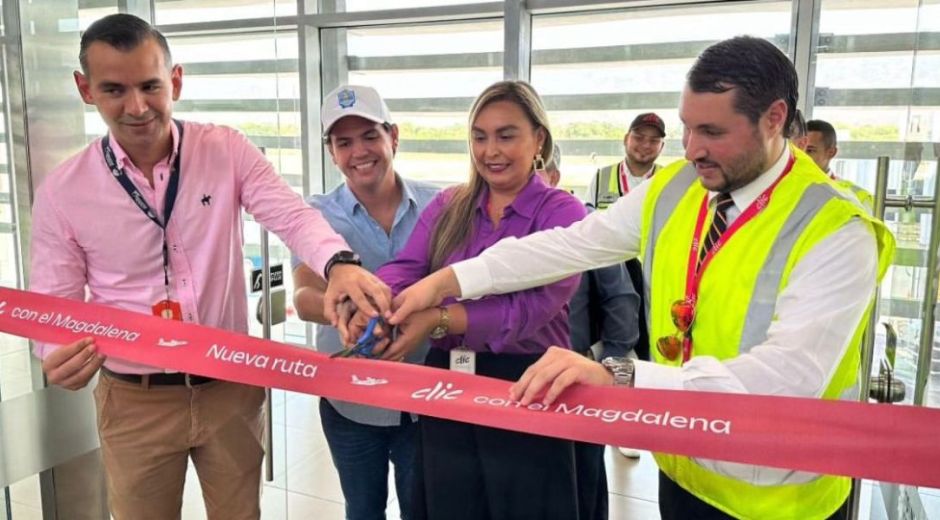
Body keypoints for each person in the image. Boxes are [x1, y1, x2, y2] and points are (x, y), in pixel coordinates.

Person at [381, 37, 895, 520]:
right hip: (685, 462)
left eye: (712, 132)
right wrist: (448, 279)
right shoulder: (677, 187)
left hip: (777, 495)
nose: (691, 149)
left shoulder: (836, 228)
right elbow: (571, 245)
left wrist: (621, 374)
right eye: (688, 128)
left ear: (774, 119)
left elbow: (787, 378)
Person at [29, 14, 390, 520]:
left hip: (230, 387)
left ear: (175, 80)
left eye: (151, 86)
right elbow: (55, 304)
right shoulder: (64, 192)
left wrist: (340, 264)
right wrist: (55, 353)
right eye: (114, 89)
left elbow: (290, 215)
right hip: (136, 399)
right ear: (85, 90)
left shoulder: (224, 149)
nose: (136, 107)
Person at [349, 80, 601, 519]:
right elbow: (408, 266)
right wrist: (375, 305)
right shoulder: (452, 203)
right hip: (449, 383)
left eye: (507, 135)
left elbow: (528, 311)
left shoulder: (562, 213)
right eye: (480, 137)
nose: (491, 151)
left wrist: (436, 319)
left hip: (528, 383)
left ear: (538, 138)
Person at [292, 84, 438, 520]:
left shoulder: (441, 205)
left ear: (394, 136)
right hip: (350, 402)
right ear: (331, 152)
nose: (359, 151)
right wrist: (345, 313)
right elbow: (302, 297)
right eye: (343, 142)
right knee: (363, 508)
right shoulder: (315, 215)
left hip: (426, 398)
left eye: (370, 136)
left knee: (423, 509)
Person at [543, 144, 646, 460]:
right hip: (522, 382)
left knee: (583, 479)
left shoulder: (586, 227)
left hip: (579, 379)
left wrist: (603, 367)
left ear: (554, 176)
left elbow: (622, 302)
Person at [587, 111, 666, 209]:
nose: (646, 145)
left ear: (661, 146)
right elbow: (589, 219)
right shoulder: (602, 177)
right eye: (639, 138)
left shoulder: (669, 179)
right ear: (626, 139)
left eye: (654, 141)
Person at [807, 119, 874, 212]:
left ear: (831, 152)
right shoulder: (785, 189)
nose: (801, 156)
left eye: (810, 151)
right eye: (798, 150)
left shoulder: (858, 197)